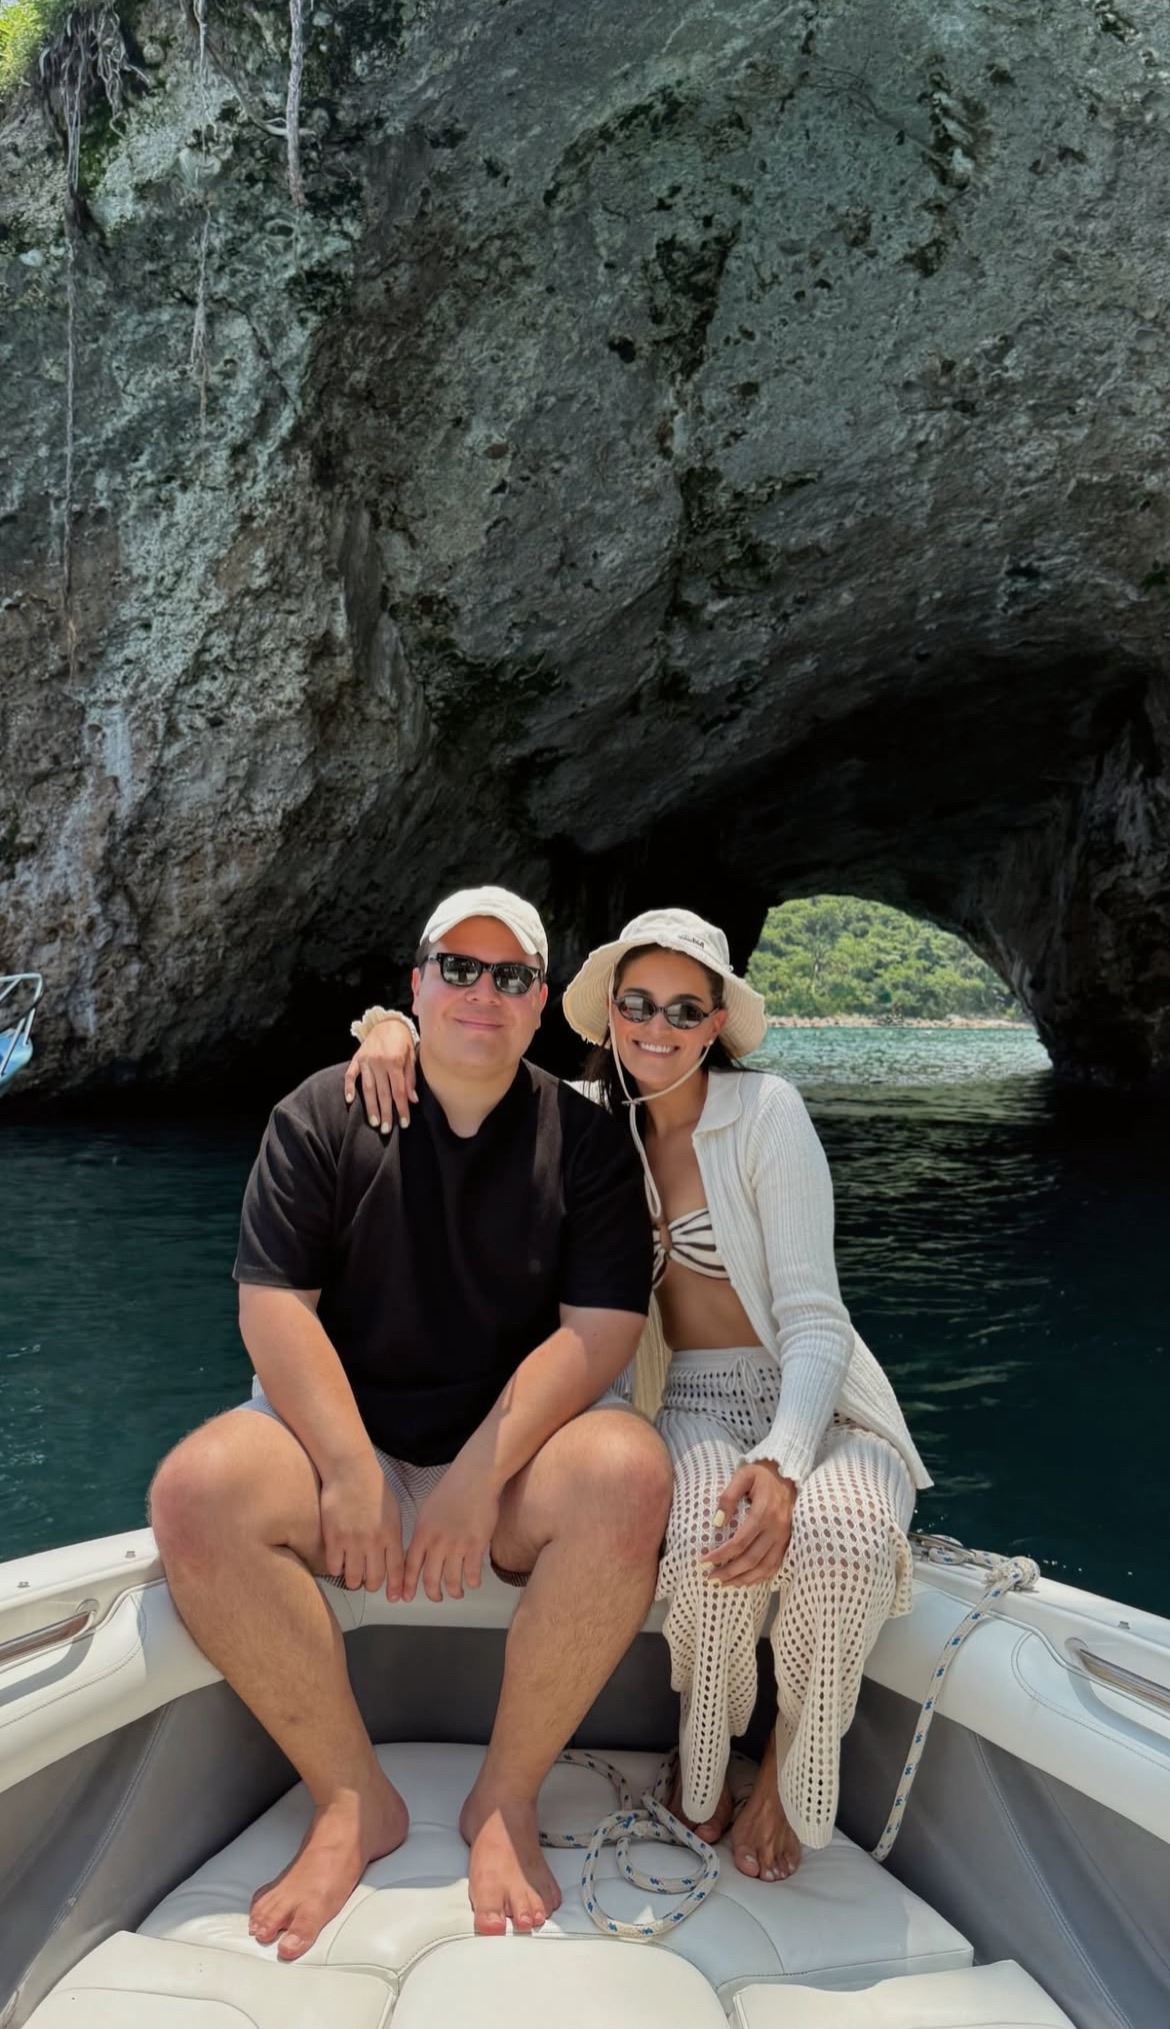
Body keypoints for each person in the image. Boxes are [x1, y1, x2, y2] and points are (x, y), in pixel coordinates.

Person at [347, 907, 931, 1884]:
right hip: (695, 1400)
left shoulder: (767, 1112)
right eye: (637, 1004)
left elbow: (817, 1322)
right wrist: (389, 1029)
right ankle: (700, 1761)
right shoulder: (579, 1118)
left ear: (714, 1025)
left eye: (683, 1008)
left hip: (818, 1400)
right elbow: (468, 1049)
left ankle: (789, 1756)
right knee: (707, 1537)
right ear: (609, 1013)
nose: (656, 1025)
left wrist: (786, 1463)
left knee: (842, 1538)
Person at [149, 887, 671, 1958]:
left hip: (514, 1461)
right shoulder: (317, 1114)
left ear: (540, 1007)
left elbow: (603, 1330)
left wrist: (479, 1476)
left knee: (628, 1470)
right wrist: (346, 1466)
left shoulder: (585, 1142)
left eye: (513, 976)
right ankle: (351, 1800)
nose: (485, 993)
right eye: (459, 969)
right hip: (346, 1437)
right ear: (418, 985)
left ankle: (505, 1797)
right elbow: (272, 1306)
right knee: (195, 1492)